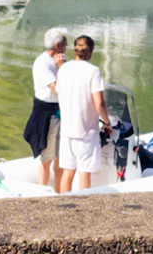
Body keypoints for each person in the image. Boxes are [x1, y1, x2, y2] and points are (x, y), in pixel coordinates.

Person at [54, 34, 107, 192]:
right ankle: (83, 204)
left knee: (68, 172)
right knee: (84, 173)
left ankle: (64, 203)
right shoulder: (93, 71)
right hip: (86, 131)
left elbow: (59, 92)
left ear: (75, 50)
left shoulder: (63, 69)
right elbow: (100, 103)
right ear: (90, 51)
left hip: (67, 130)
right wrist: (107, 123)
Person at [22, 27, 68, 187]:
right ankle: (43, 192)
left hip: (61, 111)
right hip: (47, 113)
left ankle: (60, 193)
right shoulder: (43, 63)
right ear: (57, 45)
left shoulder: (60, 59)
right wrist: (62, 68)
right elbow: (58, 89)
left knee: (61, 159)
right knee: (47, 159)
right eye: (65, 43)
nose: (67, 46)